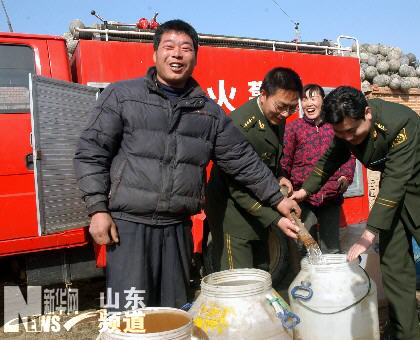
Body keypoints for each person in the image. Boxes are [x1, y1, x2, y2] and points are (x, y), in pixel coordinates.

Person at [73, 20, 300, 311]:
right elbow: (91, 152)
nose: (177, 54)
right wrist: (97, 209)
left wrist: (277, 199)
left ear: (195, 57)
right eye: (169, 47)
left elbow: (243, 161)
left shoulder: (208, 113)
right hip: (128, 226)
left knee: (174, 312)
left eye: (186, 48)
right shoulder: (122, 97)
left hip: (177, 229)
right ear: (155, 53)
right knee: (129, 315)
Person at [292, 86, 420, 339]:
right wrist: (303, 192)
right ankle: (403, 332)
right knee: (393, 266)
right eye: (341, 134)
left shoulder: (397, 123)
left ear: (367, 114)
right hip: (394, 192)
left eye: (351, 131)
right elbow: (329, 160)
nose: (347, 138)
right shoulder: (345, 129)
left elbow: (395, 181)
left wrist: (368, 234)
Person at [205, 67, 302, 272]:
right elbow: (236, 187)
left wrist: (279, 176)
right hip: (232, 213)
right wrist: (275, 218)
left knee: (261, 271)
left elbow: (270, 157)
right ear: (263, 94)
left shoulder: (276, 117)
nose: (285, 114)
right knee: (238, 280)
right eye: (281, 106)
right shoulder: (240, 127)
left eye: (292, 108)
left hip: (259, 207)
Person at [281, 84, 356, 253]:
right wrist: (283, 182)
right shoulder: (293, 128)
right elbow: (285, 160)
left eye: (313, 98)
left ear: (323, 100)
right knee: (304, 249)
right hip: (302, 199)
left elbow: (348, 156)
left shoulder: (334, 126)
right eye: (304, 99)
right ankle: (306, 279)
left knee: (332, 249)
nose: (308, 103)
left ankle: (330, 279)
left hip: (331, 196)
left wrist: (345, 177)